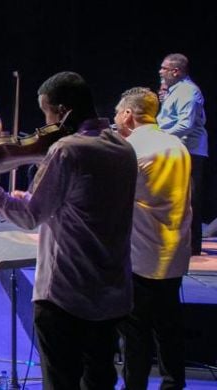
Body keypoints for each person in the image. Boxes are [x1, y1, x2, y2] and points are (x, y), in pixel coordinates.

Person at [0, 71, 137, 389]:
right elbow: (87, 203)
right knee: (100, 381)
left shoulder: (67, 150)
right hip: (111, 295)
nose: (45, 125)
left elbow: (28, 217)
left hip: (66, 296)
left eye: (47, 114)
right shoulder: (124, 148)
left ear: (63, 111)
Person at [113, 87, 192, 390]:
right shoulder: (177, 145)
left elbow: (115, 199)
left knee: (136, 334)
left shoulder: (132, 149)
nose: (115, 118)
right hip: (174, 253)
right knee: (169, 328)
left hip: (141, 256)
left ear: (128, 114)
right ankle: (174, 385)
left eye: (117, 112)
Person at [156, 53, 207, 255]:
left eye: (164, 68)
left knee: (190, 198)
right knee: (176, 196)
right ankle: (180, 243)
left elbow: (185, 125)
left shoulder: (187, 91)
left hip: (189, 150)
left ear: (176, 71)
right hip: (177, 147)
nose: (160, 71)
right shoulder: (175, 90)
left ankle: (193, 246)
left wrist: (157, 135)